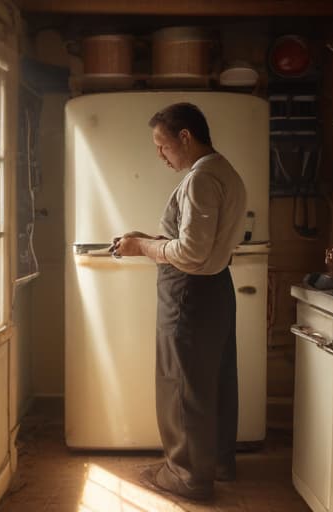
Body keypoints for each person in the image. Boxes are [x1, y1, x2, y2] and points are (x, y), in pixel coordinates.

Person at [110, 102, 247, 501]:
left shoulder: (201, 179)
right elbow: (201, 245)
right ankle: (218, 463)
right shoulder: (226, 171)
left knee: (182, 384)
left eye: (162, 145)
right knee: (216, 380)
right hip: (216, 288)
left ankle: (187, 477)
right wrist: (146, 241)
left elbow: (190, 253)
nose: (160, 154)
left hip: (189, 291)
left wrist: (140, 246)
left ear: (185, 136)